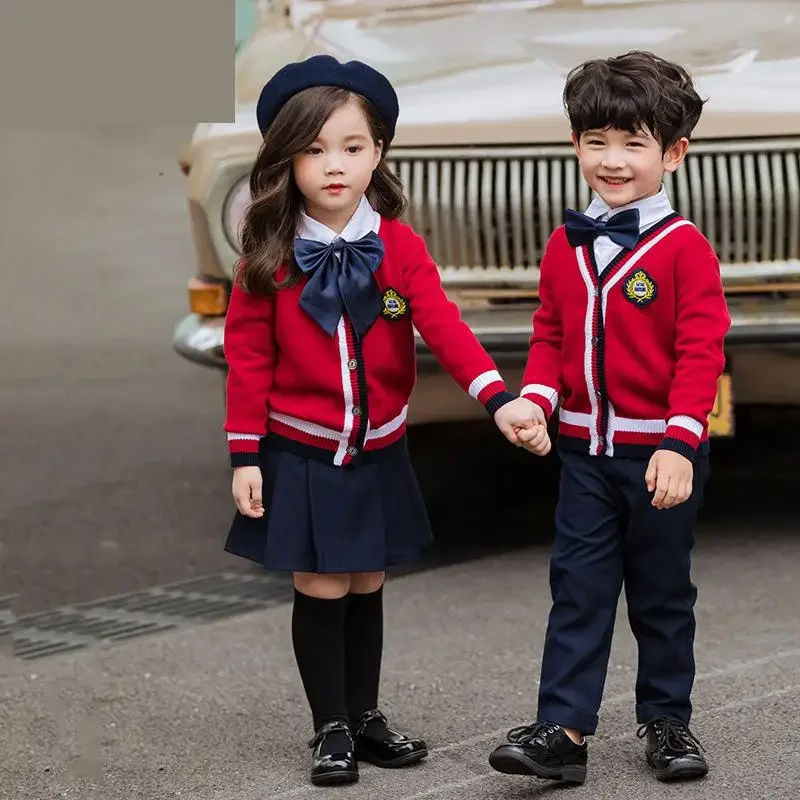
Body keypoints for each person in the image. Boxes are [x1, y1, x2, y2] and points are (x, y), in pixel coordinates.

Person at [220, 54, 544, 787]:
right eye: (313, 150)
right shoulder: (265, 254)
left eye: (352, 147)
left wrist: (501, 398)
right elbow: (246, 358)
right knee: (321, 584)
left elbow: (444, 325)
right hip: (301, 450)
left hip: (379, 448)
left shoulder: (398, 245)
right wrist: (245, 455)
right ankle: (328, 727)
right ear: (285, 160)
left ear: (379, 153)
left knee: (367, 581)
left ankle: (365, 719)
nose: (334, 166)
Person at [491, 50, 731, 786]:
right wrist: (535, 398)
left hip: (660, 456)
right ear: (575, 146)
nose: (613, 159)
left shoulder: (686, 250)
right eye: (596, 141)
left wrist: (681, 443)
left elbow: (701, 352)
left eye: (633, 143)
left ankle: (667, 720)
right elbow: (551, 335)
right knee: (579, 589)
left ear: (674, 153)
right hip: (585, 458)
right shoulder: (565, 243)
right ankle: (562, 734)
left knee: (661, 594)